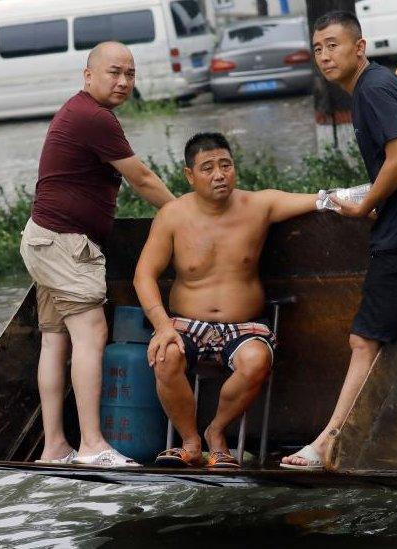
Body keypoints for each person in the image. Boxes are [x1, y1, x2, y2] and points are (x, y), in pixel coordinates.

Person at [280, 11, 397, 470]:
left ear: (359, 48)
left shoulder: (371, 91)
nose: (325, 55)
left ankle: (328, 443)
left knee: (364, 341)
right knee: (389, 339)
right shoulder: (383, 82)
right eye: (318, 48)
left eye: (334, 44)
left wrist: (365, 205)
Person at [134, 132, 339, 469]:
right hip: (186, 322)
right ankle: (189, 441)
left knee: (257, 360)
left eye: (226, 165)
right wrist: (161, 326)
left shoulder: (260, 204)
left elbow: (322, 200)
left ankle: (217, 433)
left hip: (244, 326)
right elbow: (144, 275)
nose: (219, 175)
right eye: (208, 168)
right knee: (166, 356)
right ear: (189, 174)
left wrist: (368, 199)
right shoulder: (172, 215)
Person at [20, 41, 176, 468]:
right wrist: (184, 214)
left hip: (43, 240)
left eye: (130, 73)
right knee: (90, 336)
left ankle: (54, 447)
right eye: (114, 72)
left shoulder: (80, 111)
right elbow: (142, 179)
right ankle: (91, 446)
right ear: (88, 76)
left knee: (55, 340)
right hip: (67, 245)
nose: (123, 81)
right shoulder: (94, 116)